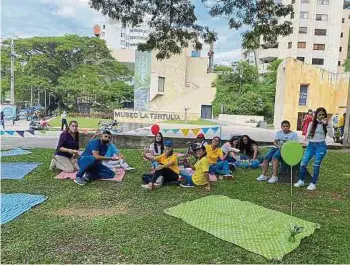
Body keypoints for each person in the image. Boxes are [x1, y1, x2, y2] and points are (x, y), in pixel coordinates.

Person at [294, 107, 330, 191]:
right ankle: (301, 180)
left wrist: (326, 125)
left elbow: (330, 134)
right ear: (316, 115)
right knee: (303, 163)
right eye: (319, 114)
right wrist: (305, 140)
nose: (321, 116)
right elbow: (308, 134)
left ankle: (313, 183)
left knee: (316, 165)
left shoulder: (326, 124)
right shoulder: (311, 123)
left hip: (321, 146)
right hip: (311, 145)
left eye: (323, 115)